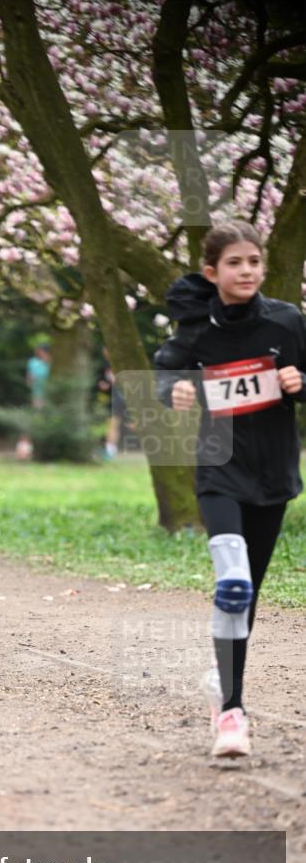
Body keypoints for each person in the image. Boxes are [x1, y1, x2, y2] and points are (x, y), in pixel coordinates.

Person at [154, 219, 305, 758]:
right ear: (211, 271)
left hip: (274, 473)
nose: (247, 271)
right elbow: (164, 374)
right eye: (235, 263)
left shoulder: (288, 321)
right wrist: (175, 392)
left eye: (254, 262)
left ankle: (225, 682)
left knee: (246, 596)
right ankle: (232, 715)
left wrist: (299, 383)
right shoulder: (197, 330)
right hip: (218, 466)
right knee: (234, 584)